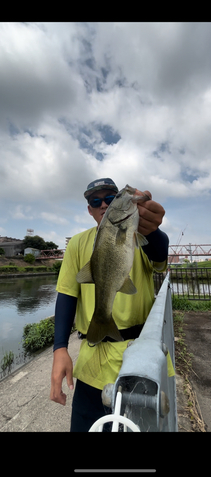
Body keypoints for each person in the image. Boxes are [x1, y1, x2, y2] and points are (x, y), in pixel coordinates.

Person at [50, 178, 169, 431]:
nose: (104, 204)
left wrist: (153, 231)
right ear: (90, 209)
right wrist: (60, 347)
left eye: (110, 198)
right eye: (96, 201)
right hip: (93, 362)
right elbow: (67, 294)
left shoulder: (139, 237)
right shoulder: (78, 244)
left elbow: (160, 255)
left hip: (141, 358)